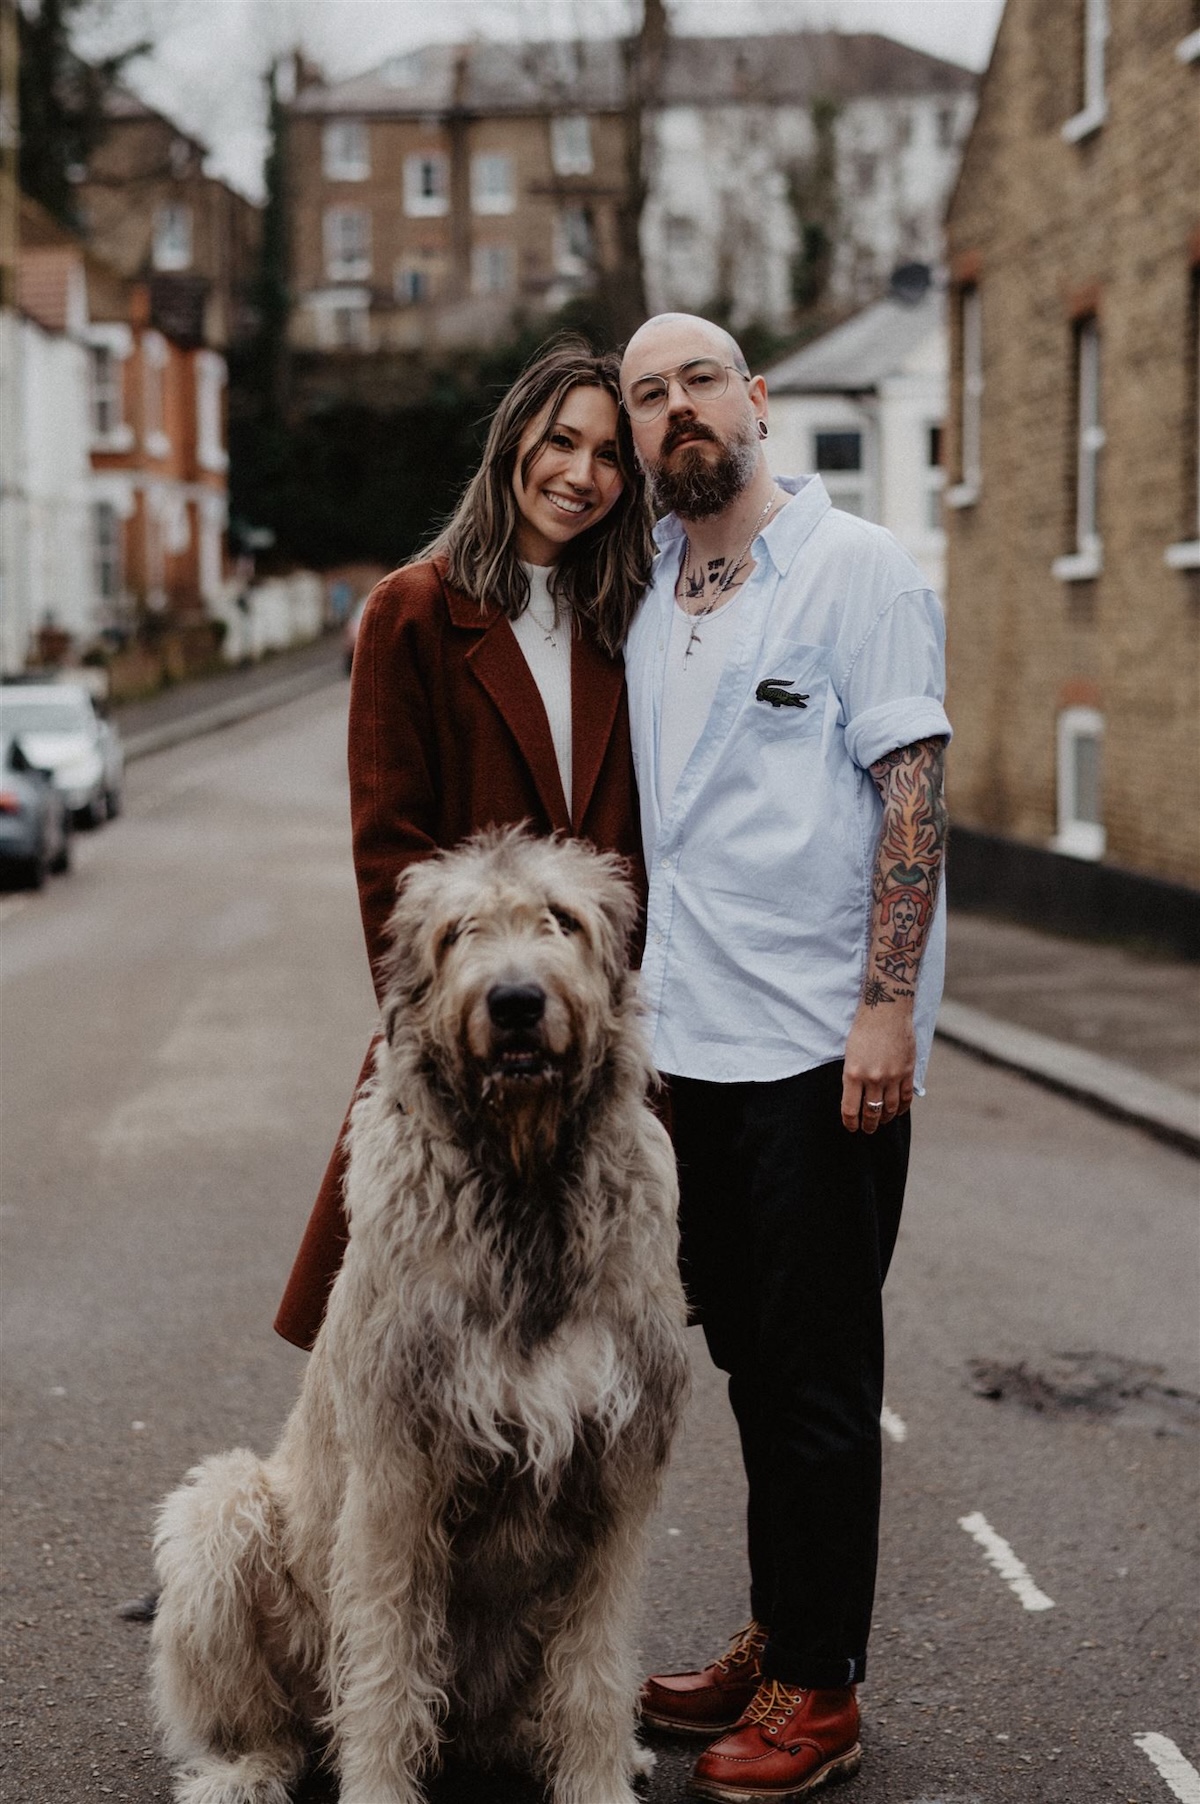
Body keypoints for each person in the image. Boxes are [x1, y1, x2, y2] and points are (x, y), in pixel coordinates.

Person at [620, 313, 950, 1801]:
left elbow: (913, 790)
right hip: (691, 1057)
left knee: (820, 1378)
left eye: (699, 379)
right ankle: (781, 1631)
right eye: (647, 396)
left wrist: (885, 1008)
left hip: (820, 1056)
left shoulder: (858, 569)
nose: (676, 408)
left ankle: (823, 1690)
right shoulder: (653, 594)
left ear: (756, 399)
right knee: (753, 1366)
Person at [273, 339, 653, 1351]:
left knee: (589, 1354)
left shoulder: (630, 617)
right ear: (513, 441)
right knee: (416, 1352)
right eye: (561, 440)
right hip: (470, 1021)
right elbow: (388, 855)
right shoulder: (413, 612)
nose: (582, 474)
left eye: (612, 455)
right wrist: (426, 1028)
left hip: (597, 1035)